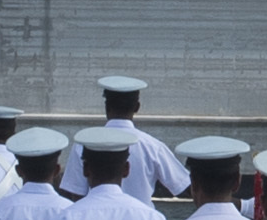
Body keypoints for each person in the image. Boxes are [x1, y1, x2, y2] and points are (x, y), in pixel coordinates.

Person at [57, 75, 187, 201]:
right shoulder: (154, 147)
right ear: (137, 107)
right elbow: (183, 186)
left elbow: (76, 194)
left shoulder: (84, 144)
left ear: (107, 106)